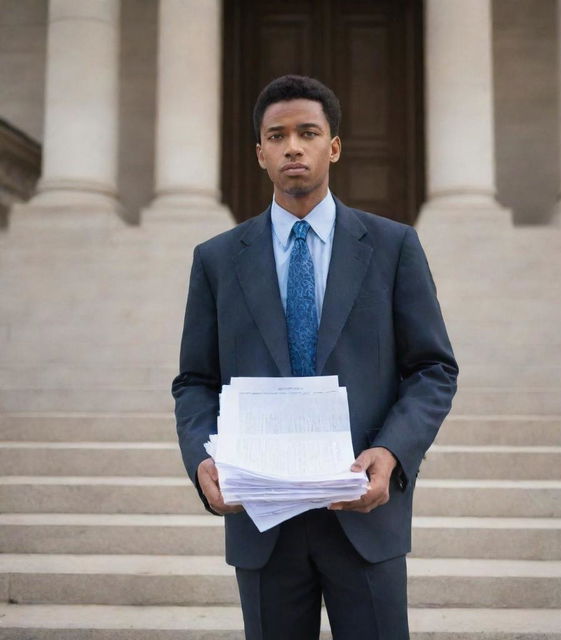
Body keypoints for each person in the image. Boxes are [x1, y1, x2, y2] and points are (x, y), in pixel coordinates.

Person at [172, 75, 458, 640]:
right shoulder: (218, 260)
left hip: (362, 509)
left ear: (334, 146)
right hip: (262, 517)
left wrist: (392, 451)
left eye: (308, 133)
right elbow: (195, 381)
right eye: (276, 136)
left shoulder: (393, 246)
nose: (292, 147)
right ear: (260, 153)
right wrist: (204, 458)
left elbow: (432, 368)